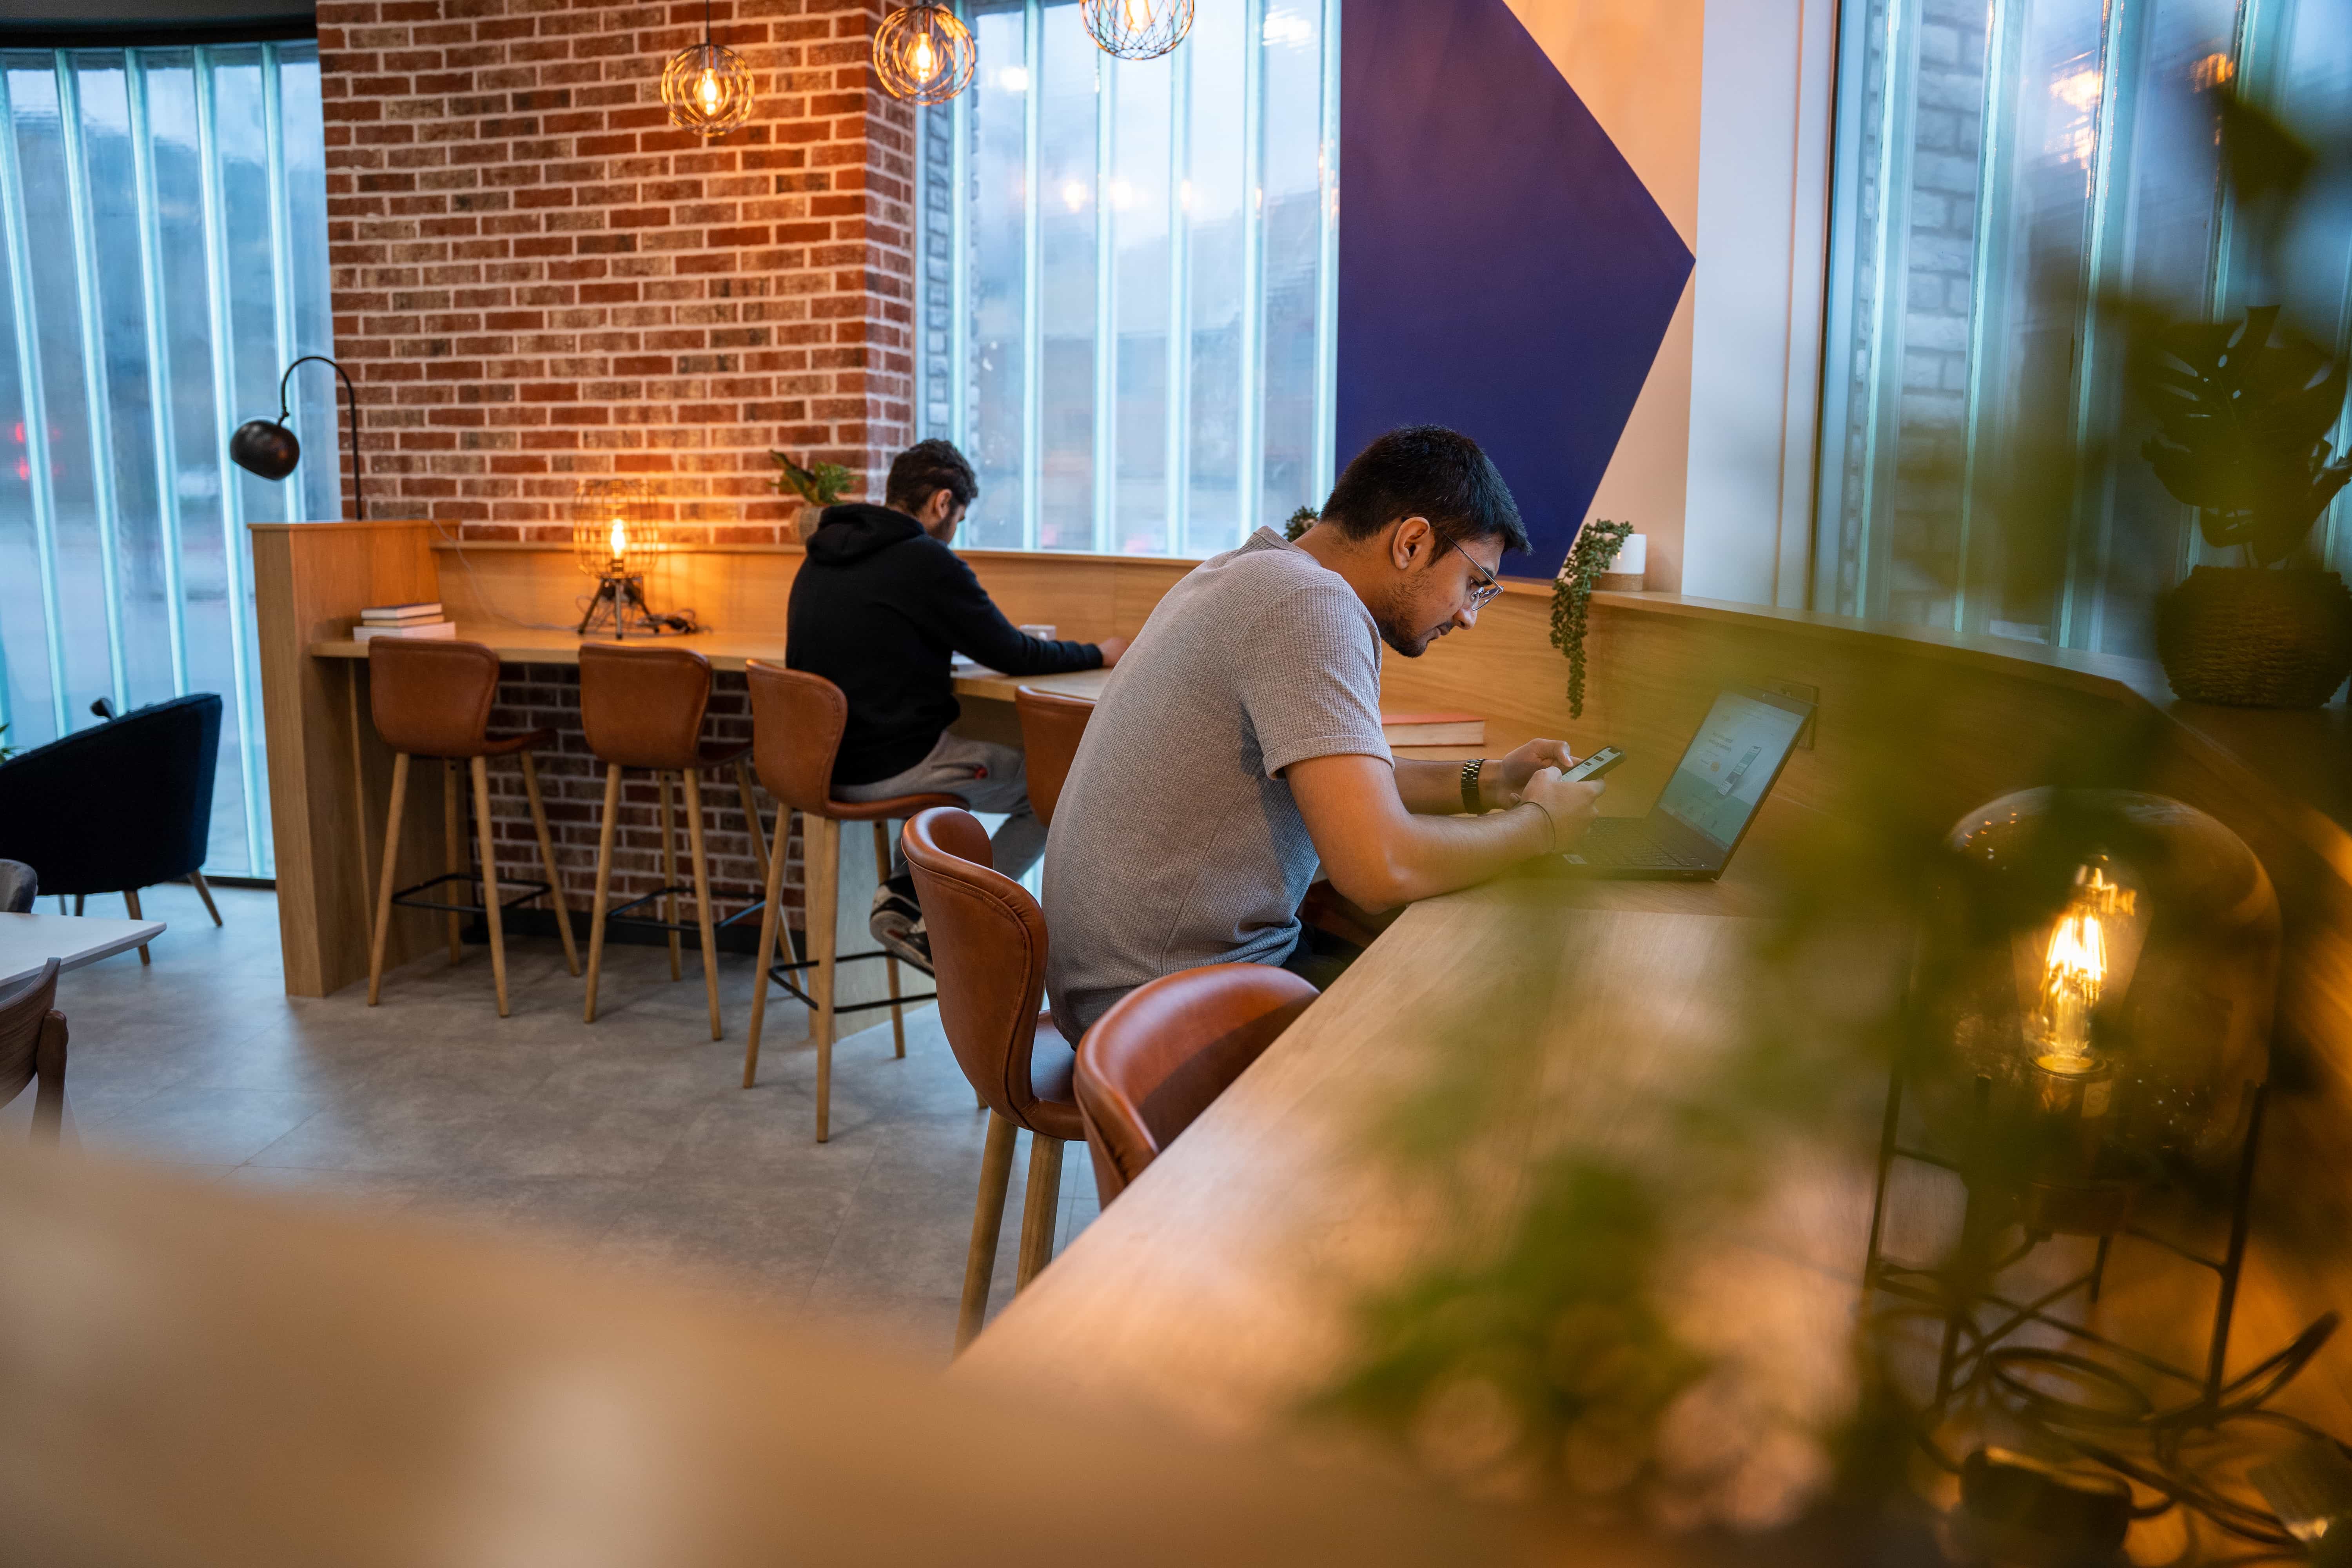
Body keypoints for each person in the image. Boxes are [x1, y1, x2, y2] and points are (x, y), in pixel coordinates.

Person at [1043, 425, 1603, 1038]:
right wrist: (1542, 827)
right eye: (1475, 583)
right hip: (1165, 1013)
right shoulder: (1308, 603)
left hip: (1118, 988)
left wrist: (1493, 782)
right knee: (1499, 1013)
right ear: (1412, 542)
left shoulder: (1245, 572)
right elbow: (1380, 868)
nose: (1469, 616)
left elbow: (1350, 781)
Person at [788, 439, 1128, 969]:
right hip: (888, 767)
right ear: (942, 503)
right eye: (959, 520)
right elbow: (1011, 652)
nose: (953, 533)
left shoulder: (823, 553)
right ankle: (946, 921)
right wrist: (1099, 653)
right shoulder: (924, 560)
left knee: (961, 768)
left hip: (817, 765)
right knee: (1059, 793)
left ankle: (905, 896)